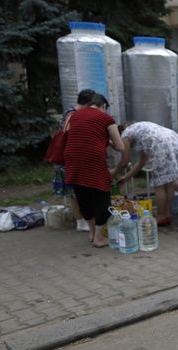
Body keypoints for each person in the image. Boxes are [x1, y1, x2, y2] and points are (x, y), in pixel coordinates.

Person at [64, 94, 128, 247]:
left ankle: (92, 233)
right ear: (104, 106)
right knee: (101, 194)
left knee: (83, 194)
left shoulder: (75, 115)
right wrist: (110, 142)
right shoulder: (106, 119)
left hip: (72, 157)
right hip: (93, 158)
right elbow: (120, 147)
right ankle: (99, 238)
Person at [117, 121, 178, 226]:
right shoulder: (139, 131)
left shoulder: (125, 135)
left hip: (160, 144)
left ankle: (160, 216)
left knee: (159, 184)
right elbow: (141, 162)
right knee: (169, 181)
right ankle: (167, 214)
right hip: (173, 138)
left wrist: (114, 172)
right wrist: (126, 177)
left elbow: (124, 162)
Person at [53, 89, 95, 233]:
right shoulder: (72, 115)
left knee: (78, 191)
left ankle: (84, 220)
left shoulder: (71, 113)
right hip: (70, 159)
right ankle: (80, 221)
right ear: (88, 103)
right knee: (74, 192)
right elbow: (71, 136)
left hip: (72, 158)